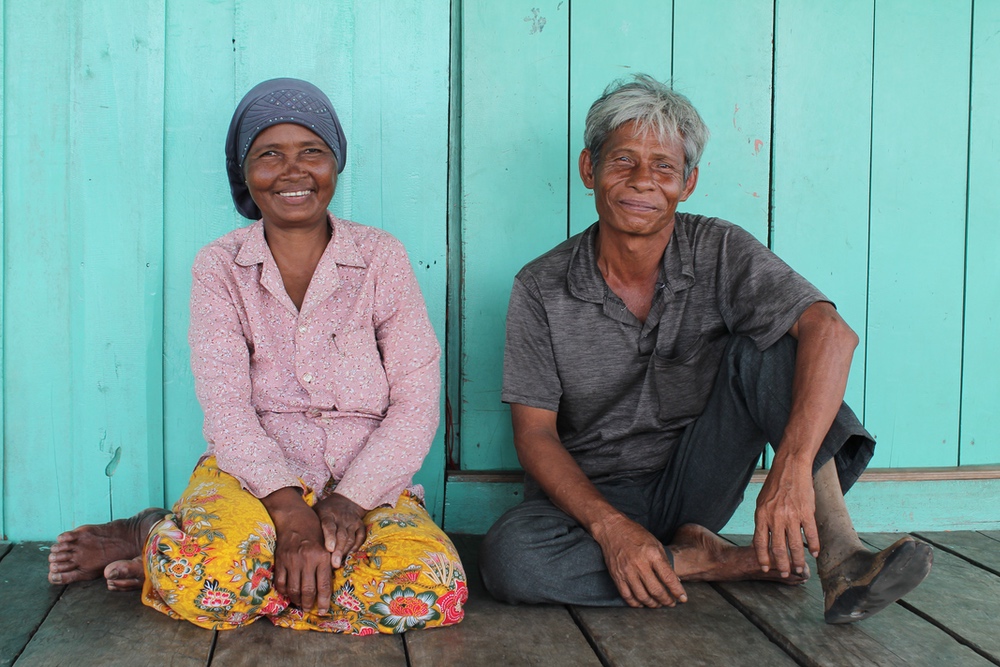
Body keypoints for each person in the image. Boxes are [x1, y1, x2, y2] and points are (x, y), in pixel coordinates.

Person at [480, 74, 931, 624]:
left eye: (664, 166)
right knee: (508, 557)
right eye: (623, 160)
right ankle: (707, 563)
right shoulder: (540, 286)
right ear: (588, 169)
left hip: (695, 482)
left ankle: (842, 554)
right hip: (588, 502)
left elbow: (831, 331)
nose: (643, 181)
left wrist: (788, 469)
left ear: (688, 183)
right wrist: (611, 528)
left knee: (770, 349)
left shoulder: (719, 248)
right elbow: (534, 435)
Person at [48, 78, 466, 634]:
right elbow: (226, 408)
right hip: (251, 482)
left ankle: (210, 573)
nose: (293, 172)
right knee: (224, 577)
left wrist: (347, 502)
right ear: (243, 171)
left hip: (365, 486)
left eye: (311, 152)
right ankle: (151, 528)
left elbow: (416, 401)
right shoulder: (220, 266)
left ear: (335, 162)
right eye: (269, 154)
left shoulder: (380, 257)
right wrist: (290, 512)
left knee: (436, 591)